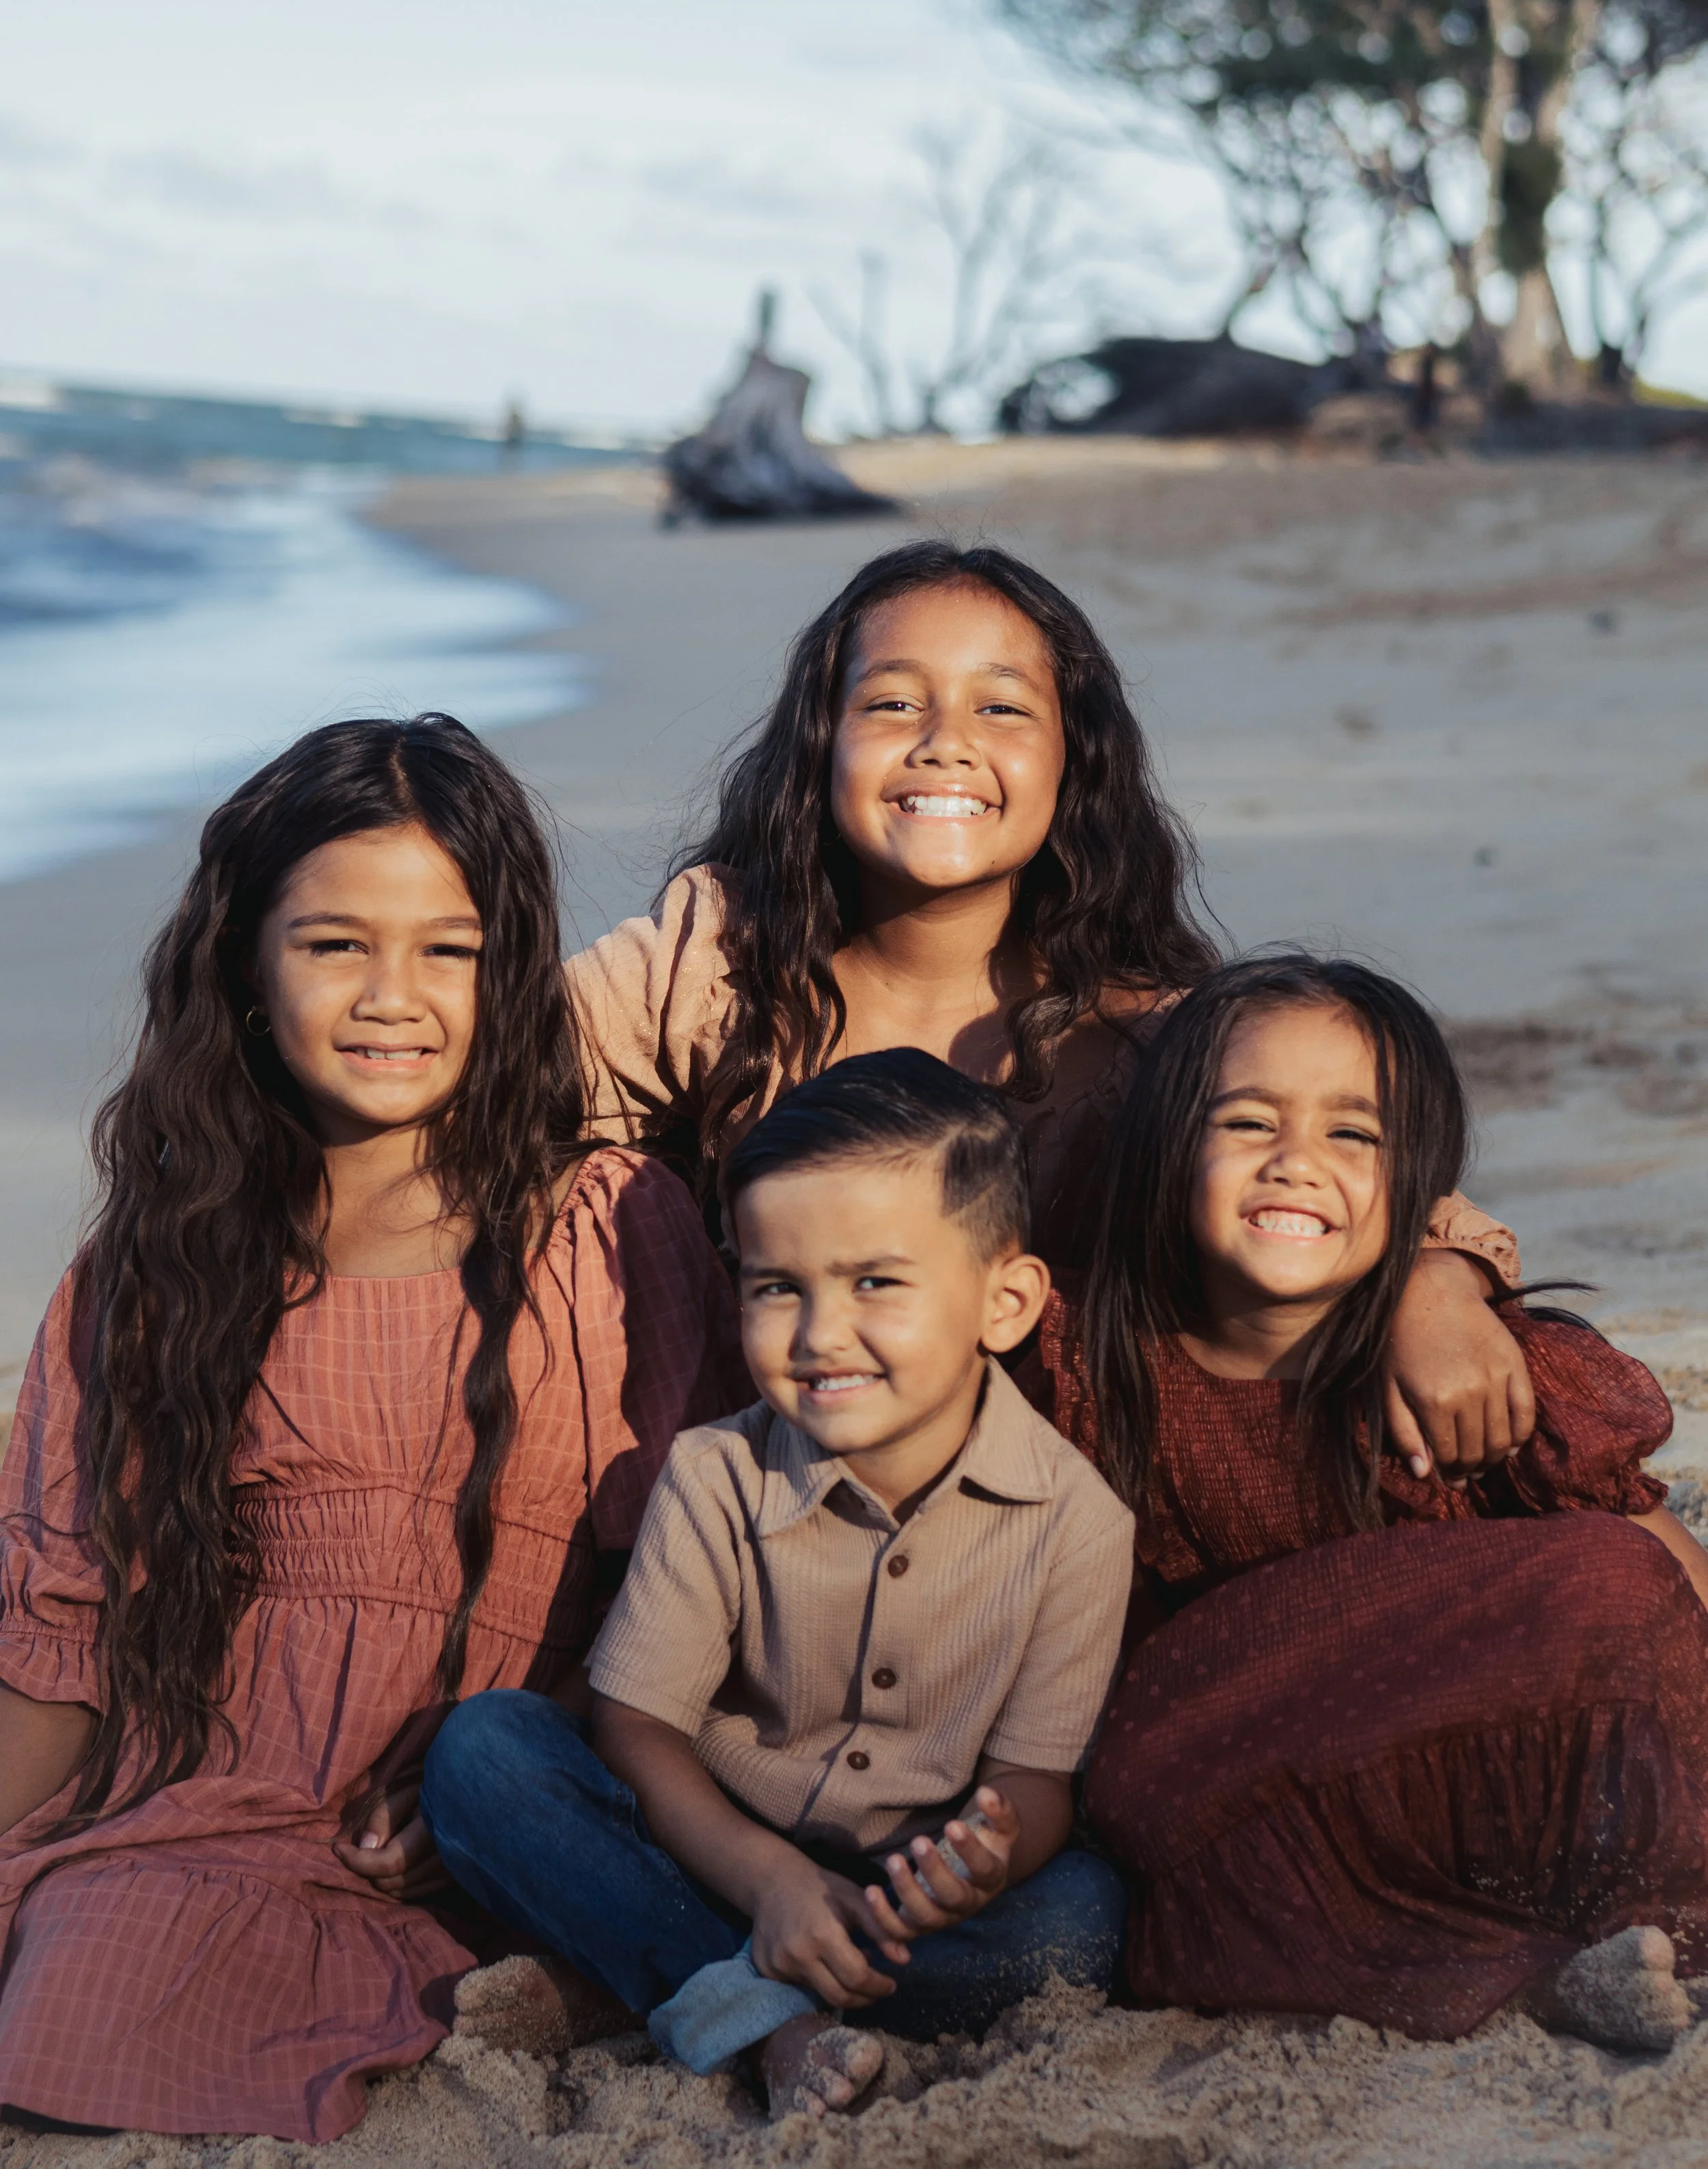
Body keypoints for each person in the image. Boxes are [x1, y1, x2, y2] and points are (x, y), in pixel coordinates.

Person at [0, 716, 743, 2142]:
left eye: (446, 949)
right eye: (334, 943)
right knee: (73, 1998)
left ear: (507, 969)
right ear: (246, 966)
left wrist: (546, 1731)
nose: (391, 994)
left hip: (513, 1800)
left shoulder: (603, 1226)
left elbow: (690, 1576)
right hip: (219, 1809)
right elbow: (61, 1621)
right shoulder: (164, 1263)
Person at [567, 537, 1533, 1483]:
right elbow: (495, 1066)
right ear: (823, 745)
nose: (946, 743)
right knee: (589, 1191)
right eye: (894, 702)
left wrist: (1434, 1283)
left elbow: (1355, 1181)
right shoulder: (724, 968)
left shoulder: (1149, 1038)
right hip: (761, 1485)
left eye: (1001, 708)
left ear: (1076, 762)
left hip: (1068, 1526)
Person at [422, 1049, 1135, 2120]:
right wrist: (768, 1881)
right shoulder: (717, 1475)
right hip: (705, 1850)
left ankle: (670, 1983)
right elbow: (636, 1730)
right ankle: (774, 2020)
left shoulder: (1077, 1523)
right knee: (484, 1755)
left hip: (896, 1908)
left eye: (876, 1283)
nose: (818, 1334)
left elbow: (1036, 1786)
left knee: (1079, 1920)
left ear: (1006, 1300)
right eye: (776, 1289)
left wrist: (983, 1861)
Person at [1028, 953, 1708, 2051]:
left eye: (1354, 1137)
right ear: (1164, 1151)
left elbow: (1656, 1582)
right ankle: (1530, 1971)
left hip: (1468, 1781)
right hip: (1243, 1781)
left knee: (1609, 1578)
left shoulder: (1470, 1369)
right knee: (1139, 1772)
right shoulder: (1089, 1372)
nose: (1298, 1165)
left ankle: (1610, 1942)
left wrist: (1446, 1282)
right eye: (1249, 1125)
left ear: (1420, 1188)